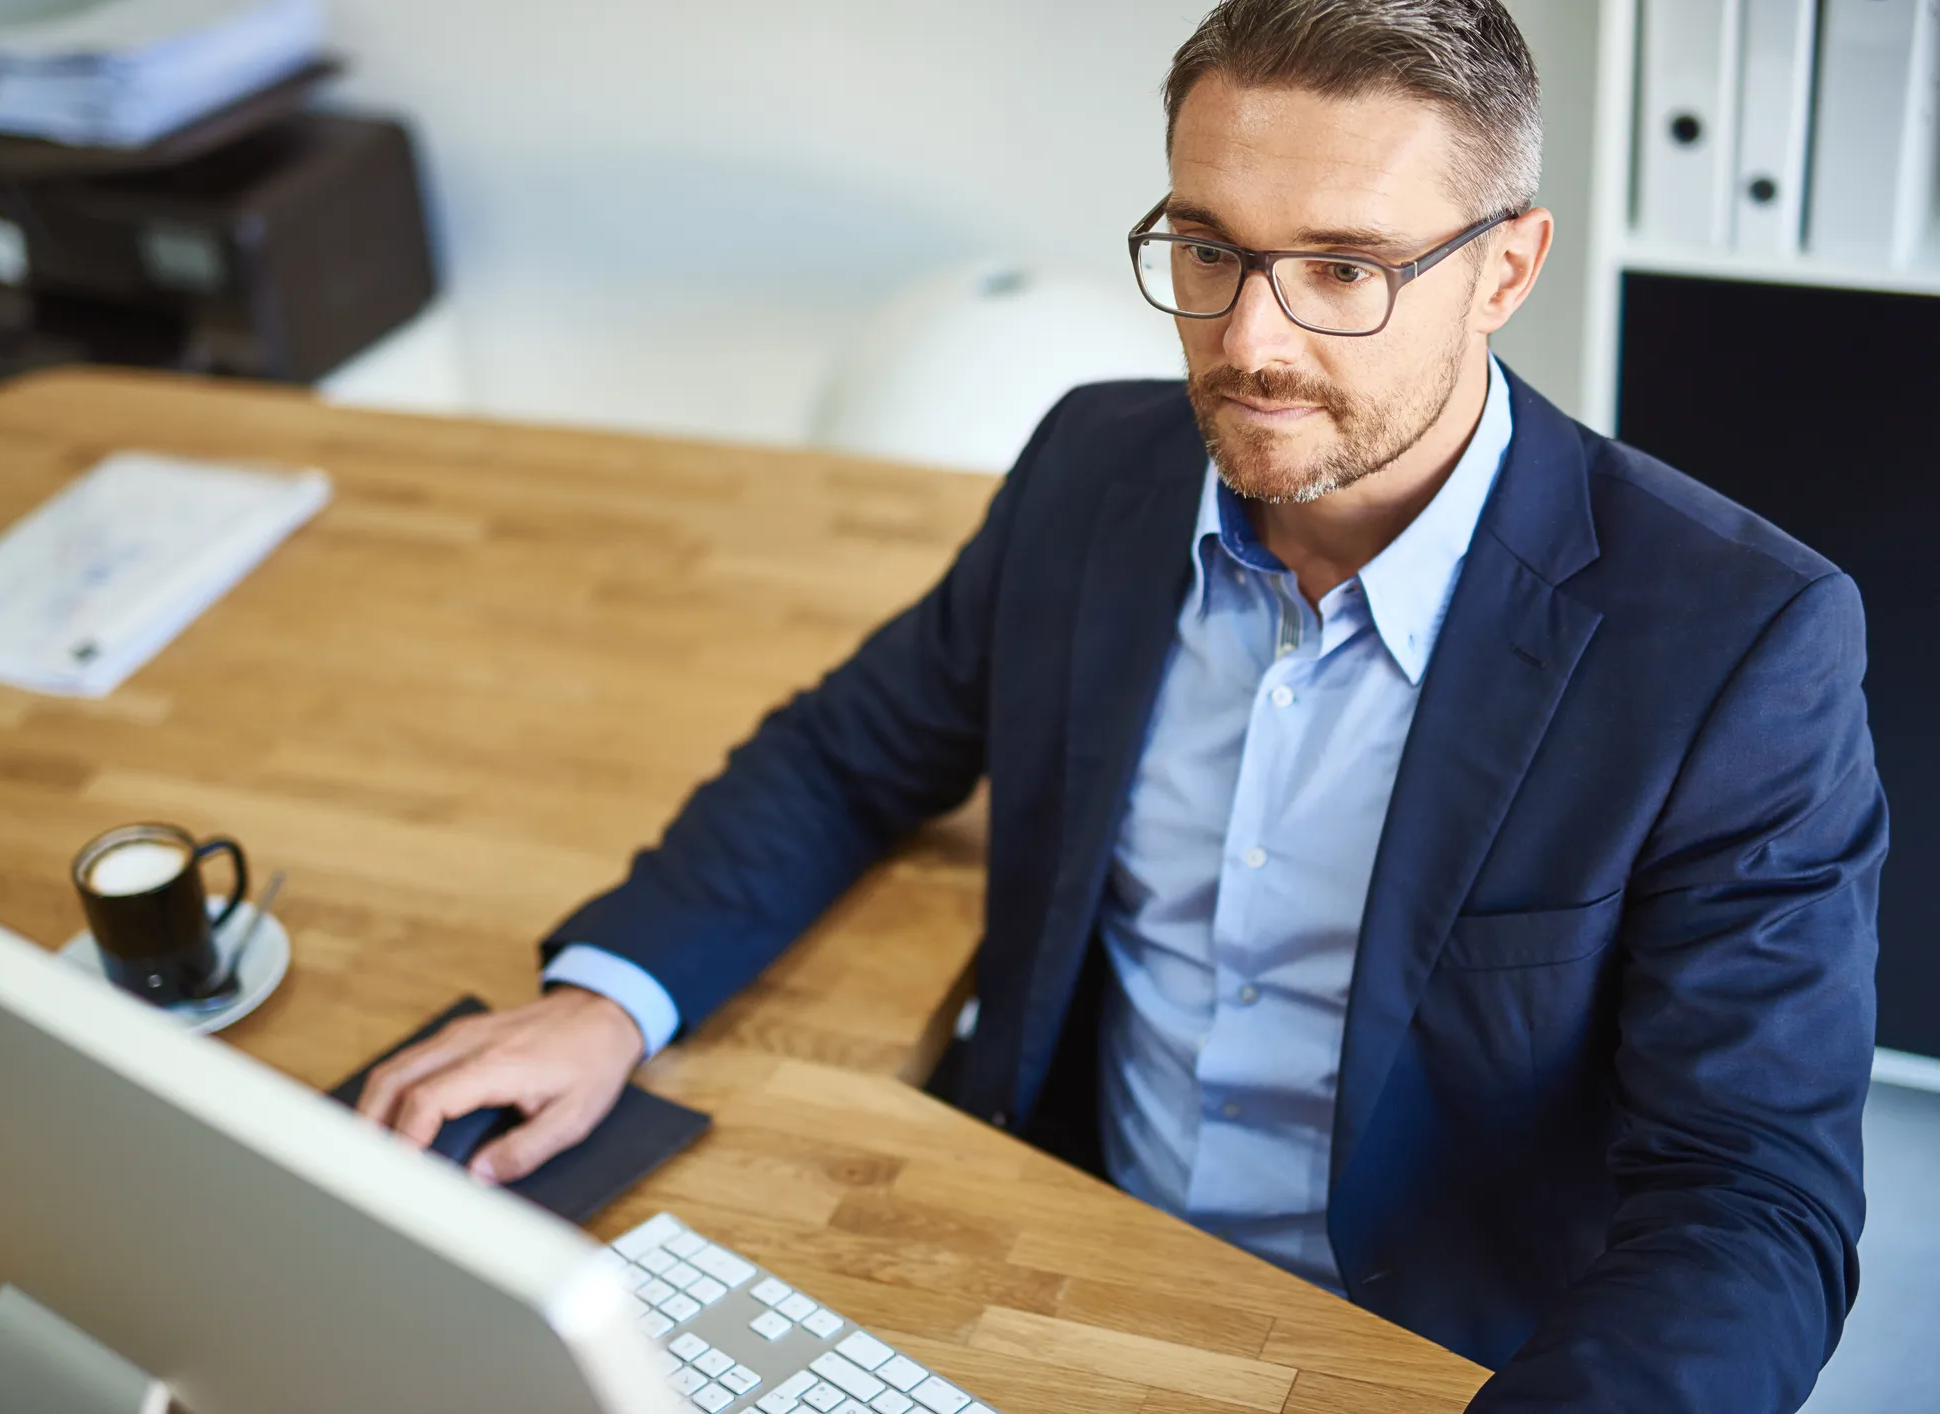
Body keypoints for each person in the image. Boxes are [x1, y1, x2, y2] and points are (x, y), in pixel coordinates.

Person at [355, 2, 1886, 1407]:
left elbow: (1748, 1194)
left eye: (1345, 268)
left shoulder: (1739, 642)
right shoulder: (1094, 469)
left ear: (1504, 267)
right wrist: (605, 998)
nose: (1248, 344)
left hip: (1418, 1348)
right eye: (1207, 248)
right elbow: (847, 754)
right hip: (1043, 1248)